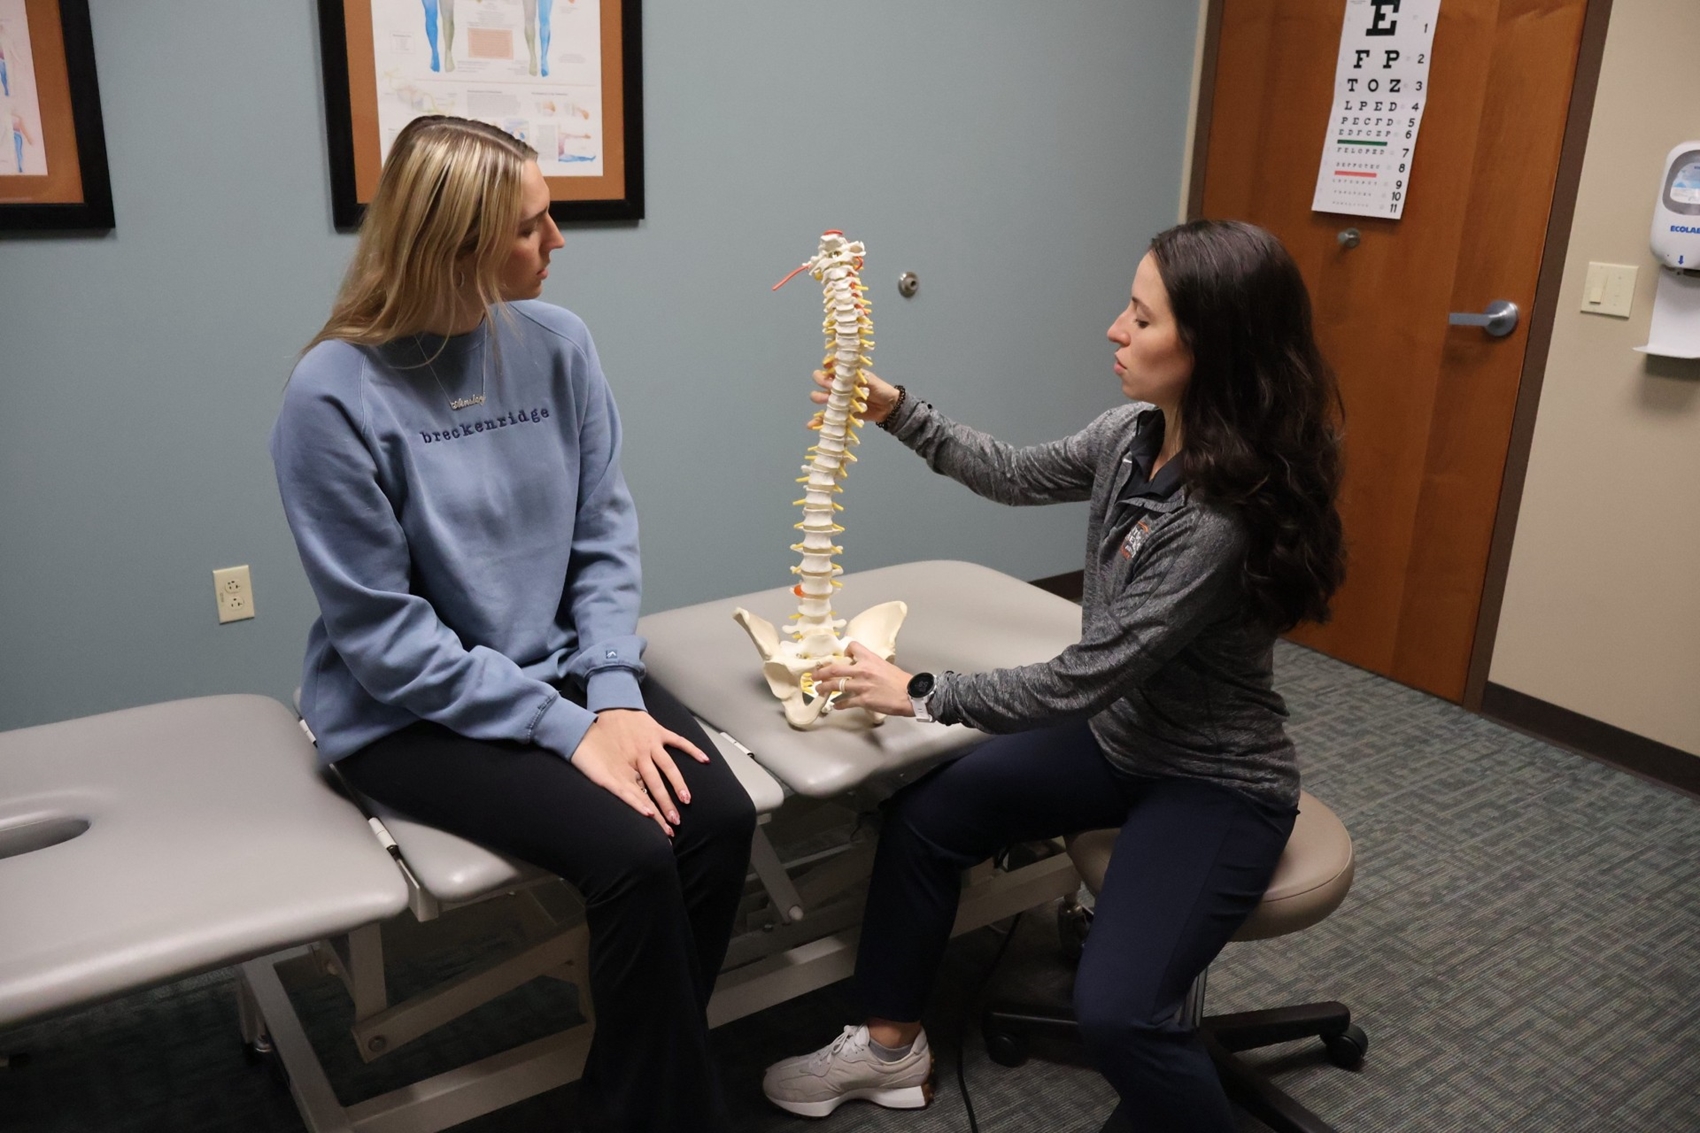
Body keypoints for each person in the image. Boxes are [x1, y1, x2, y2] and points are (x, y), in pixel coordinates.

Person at [760, 219, 1345, 1132]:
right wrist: (896, 410)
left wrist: (919, 691)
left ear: (1211, 348)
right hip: (1124, 742)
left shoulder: (1219, 520)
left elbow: (1085, 678)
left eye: (1142, 319)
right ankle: (889, 1046)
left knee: (1118, 1016)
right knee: (927, 818)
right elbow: (1010, 472)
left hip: (1217, 780)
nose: (1115, 329)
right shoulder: (1130, 435)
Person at [270, 115, 755, 1133]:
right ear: (453, 244)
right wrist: (570, 727)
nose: (559, 242)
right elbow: (387, 641)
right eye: (533, 225)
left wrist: (610, 690)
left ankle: (638, 1086)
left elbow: (603, 534)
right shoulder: (331, 397)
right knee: (631, 852)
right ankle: (669, 1105)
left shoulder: (557, 344)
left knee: (715, 820)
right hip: (406, 712)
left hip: (566, 668)